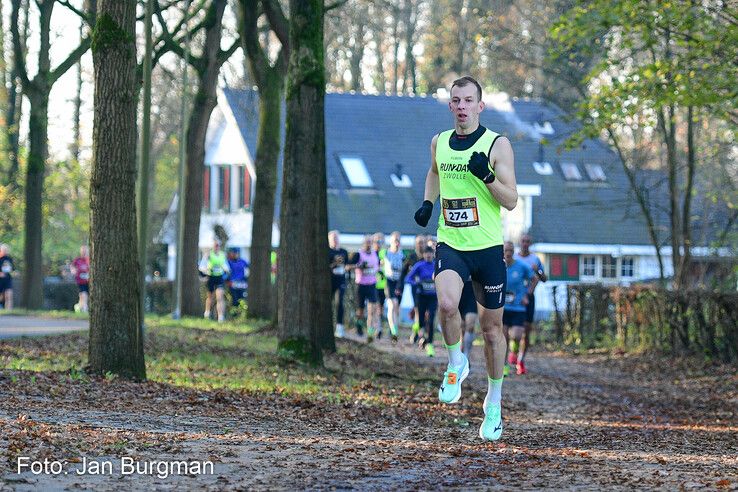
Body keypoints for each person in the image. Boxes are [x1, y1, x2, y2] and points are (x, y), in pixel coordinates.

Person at [413, 76, 518, 441]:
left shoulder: (497, 144)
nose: (461, 106)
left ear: (479, 106)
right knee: (445, 303)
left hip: (487, 248)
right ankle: (456, 361)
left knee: (492, 332)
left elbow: (511, 200)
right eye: (456, 100)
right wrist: (429, 202)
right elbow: (434, 172)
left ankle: (494, 402)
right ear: (450, 106)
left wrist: (486, 175)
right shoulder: (439, 142)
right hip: (452, 243)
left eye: (468, 100)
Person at [513, 233, 547, 373]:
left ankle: (521, 360)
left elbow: (544, 278)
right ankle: (513, 352)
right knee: (514, 332)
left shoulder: (535, 259)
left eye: (527, 241)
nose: (525, 243)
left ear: (530, 243)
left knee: (526, 330)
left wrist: (537, 270)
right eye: (523, 241)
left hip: (529, 297)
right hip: (514, 298)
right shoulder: (513, 258)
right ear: (519, 242)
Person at [503, 241, 535, 375]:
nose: (508, 253)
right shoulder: (498, 266)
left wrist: (527, 294)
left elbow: (534, 279)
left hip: (518, 308)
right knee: (503, 338)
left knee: (516, 336)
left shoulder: (521, 266)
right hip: (503, 307)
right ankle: (504, 365)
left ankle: (513, 352)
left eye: (510, 250)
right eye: (506, 250)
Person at [405, 246, 438, 356]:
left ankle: (430, 345)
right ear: (423, 255)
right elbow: (408, 278)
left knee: (431, 319)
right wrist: (417, 283)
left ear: (433, 254)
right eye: (426, 253)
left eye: (430, 253)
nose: (428, 255)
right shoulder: (419, 266)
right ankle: (419, 333)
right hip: (421, 296)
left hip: (433, 296)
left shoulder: (437, 265)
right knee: (421, 321)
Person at [349, 235, 379, 341]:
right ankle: (359, 326)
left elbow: (377, 267)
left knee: (372, 310)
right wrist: (359, 266)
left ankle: (370, 333)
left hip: (371, 285)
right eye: (367, 242)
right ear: (363, 243)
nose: (369, 244)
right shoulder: (358, 254)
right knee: (360, 311)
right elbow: (347, 266)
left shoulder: (375, 254)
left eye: (370, 242)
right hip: (360, 286)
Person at [400, 234, 426, 342]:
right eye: (419, 242)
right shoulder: (411, 257)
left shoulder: (429, 256)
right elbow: (404, 272)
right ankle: (418, 332)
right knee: (418, 310)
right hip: (415, 288)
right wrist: (399, 286)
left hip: (428, 289)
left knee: (426, 312)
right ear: (415, 244)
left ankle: (419, 331)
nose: (420, 245)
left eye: (422, 242)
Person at [199, 240, 230, 322]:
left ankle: (220, 317)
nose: (217, 247)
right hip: (211, 277)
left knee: (220, 297)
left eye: (218, 245)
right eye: (215, 245)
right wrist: (207, 270)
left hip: (219, 277)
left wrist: (225, 270)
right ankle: (207, 312)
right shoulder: (208, 255)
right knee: (210, 297)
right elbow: (201, 266)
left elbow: (227, 267)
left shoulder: (222, 255)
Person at [383, 232, 405, 344]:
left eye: (398, 240)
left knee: (397, 307)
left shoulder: (402, 254)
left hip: (399, 283)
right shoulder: (386, 253)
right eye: (394, 240)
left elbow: (404, 270)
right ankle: (394, 331)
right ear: (391, 241)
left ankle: (393, 327)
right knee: (392, 305)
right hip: (389, 281)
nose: (396, 242)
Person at [328, 230, 349, 337]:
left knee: (339, 302)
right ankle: (328, 325)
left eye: (336, 238)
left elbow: (348, 265)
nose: (335, 240)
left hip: (341, 280)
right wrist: (335, 263)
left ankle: (339, 326)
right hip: (330, 281)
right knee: (328, 304)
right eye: (333, 238)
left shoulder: (344, 251)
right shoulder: (328, 251)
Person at [373, 232, 387, 339]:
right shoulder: (371, 253)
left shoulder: (385, 253)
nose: (379, 243)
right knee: (373, 307)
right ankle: (374, 327)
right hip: (372, 284)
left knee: (380, 308)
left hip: (383, 285)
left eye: (381, 241)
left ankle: (379, 328)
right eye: (377, 241)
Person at [459, 280, 478, 355]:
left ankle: (466, 355)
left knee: (470, 325)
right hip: (458, 292)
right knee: (462, 326)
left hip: (473, 293)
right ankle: (462, 346)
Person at [71, 245, 90, 313]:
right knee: (84, 294)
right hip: (80, 281)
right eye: (83, 251)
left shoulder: (89, 260)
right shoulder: (77, 260)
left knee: (82, 297)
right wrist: (73, 271)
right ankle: (85, 309)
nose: (84, 253)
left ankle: (78, 306)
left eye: (85, 251)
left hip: (89, 281)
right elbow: (72, 267)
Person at [0, 244, 15, 310]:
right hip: (0, 280)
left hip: (7, 279)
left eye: (6, 250)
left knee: (9, 295)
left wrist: (14, 272)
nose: (5, 251)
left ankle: (9, 310)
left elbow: (12, 269)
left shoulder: (9, 259)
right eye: (4, 250)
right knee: (1, 297)